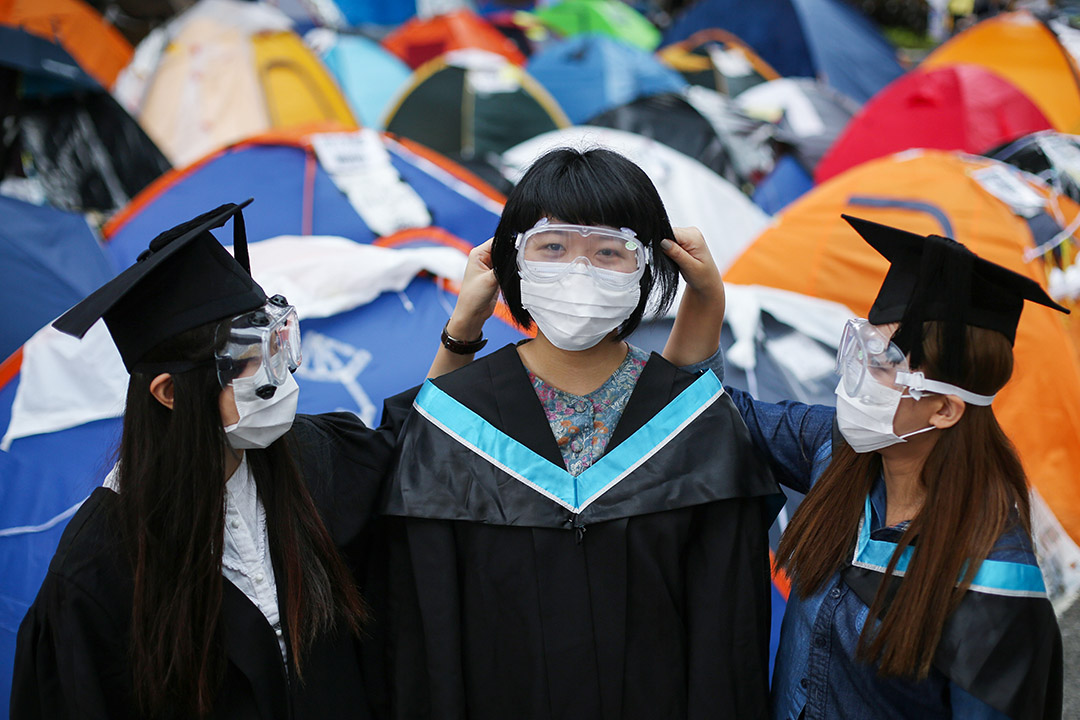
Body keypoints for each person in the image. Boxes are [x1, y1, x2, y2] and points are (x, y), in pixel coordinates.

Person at [9, 202, 489, 719]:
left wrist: (462, 328)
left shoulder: (307, 458)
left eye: (276, 345)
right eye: (248, 361)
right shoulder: (99, 569)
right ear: (170, 392)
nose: (276, 377)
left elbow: (413, 452)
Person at [369, 147, 783, 719]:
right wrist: (463, 325)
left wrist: (707, 295)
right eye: (553, 247)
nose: (578, 270)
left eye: (609, 250)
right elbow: (425, 630)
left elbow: (725, 640)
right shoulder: (455, 419)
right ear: (513, 261)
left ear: (646, 266)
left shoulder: (692, 420)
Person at [707, 216, 1064, 719]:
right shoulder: (838, 455)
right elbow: (719, 417)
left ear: (944, 408)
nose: (858, 377)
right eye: (863, 349)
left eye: (885, 362)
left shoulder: (993, 583)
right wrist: (704, 303)